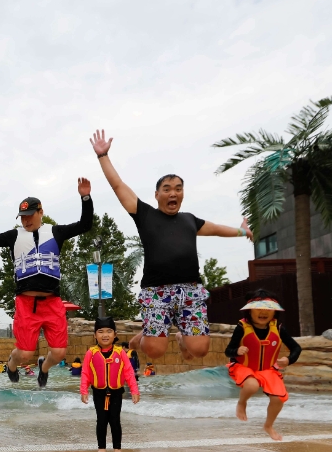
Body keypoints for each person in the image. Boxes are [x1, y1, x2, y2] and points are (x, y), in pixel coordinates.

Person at [89, 130, 253, 362]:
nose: (173, 193)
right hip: (156, 292)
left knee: (200, 350)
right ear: (157, 195)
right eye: (167, 189)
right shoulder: (145, 215)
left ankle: (178, 337)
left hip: (190, 291)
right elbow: (118, 186)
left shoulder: (189, 220)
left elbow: (216, 228)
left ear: (183, 193)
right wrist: (103, 156)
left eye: (178, 188)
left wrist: (243, 231)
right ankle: (143, 337)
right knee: (155, 351)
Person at [0, 177, 93, 388]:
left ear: (41, 212)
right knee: (25, 353)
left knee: (58, 353)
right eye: (22, 217)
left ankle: (44, 367)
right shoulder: (14, 236)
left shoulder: (56, 232)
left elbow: (85, 224)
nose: (26, 221)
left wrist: (85, 197)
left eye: (30, 215)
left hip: (52, 302)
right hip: (26, 304)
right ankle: (11, 364)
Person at [225, 290, 302, 441]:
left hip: (268, 370)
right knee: (252, 386)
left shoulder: (279, 328)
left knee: (278, 399)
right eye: (258, 308)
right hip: (244, 367)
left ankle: (268, 425)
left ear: (275, 312)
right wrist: (237, 351)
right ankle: (242, 403)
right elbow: (228, 351)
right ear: (250, 310)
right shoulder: (242, 327)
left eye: (268, 309)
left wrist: (288, 359)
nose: (263, 312)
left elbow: (296, 348)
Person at [80, 317, 139, 452]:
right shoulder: (91, 353)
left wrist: (134, 390)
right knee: (101, 420)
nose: (105, 335)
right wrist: (84, 390)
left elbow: (129, 372)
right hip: (99, 392)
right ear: (95, 335)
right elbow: (86, 372)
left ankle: (117, 449)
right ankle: (101, 449)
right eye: (100, 332)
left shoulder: (120, 353)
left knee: (115, 420)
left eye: (109, 331)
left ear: (115, 334)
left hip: (116, 392)